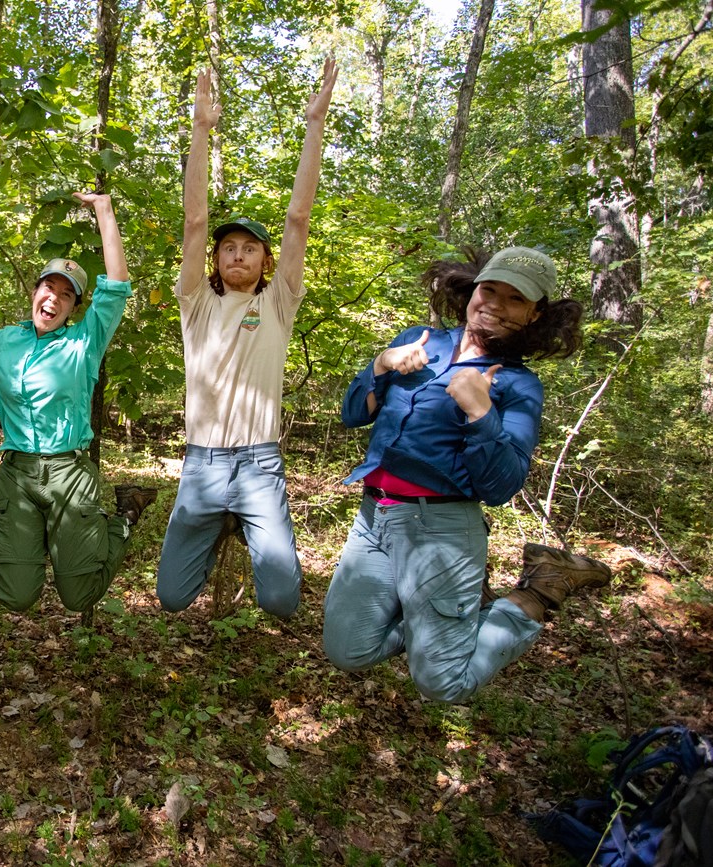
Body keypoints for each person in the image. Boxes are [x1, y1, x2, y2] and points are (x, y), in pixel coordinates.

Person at [322, 247, 612, 703]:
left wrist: (480, 411)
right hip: (374, 517)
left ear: (536, 314)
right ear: (472, 290)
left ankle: (538, 591)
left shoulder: (517, 384)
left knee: (442, 684)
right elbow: (353, 414)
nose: (494, 304)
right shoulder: (421, 341)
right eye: (489, 290)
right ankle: (433, 621)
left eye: (515, 299)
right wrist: (380, 363)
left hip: (443, 531)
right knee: (349, 650)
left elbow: (501, 486)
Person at [156, 61, 338, 619]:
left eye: (250, 248)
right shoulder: (197, 304)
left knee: (282, 601)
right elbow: (192, 219)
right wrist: (200, 129)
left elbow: (299, 218)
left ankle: (238, 519)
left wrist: (315, 124)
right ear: (215, 259)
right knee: (170, 596)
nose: (238, 253)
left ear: (266, 262)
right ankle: (216, 522)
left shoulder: (277, 302)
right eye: (228, 247)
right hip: (203, 464)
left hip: (260, 464)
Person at [0, 192, 157, 621]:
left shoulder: (83, 343)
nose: (53, 299)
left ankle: (126, 513)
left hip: (70, 476)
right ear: (35, 291)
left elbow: (118, 287)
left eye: (66, 296)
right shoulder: (1, 342)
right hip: (17, 475)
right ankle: (5, 540)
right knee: (16, 597)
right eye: (48, 288)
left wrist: (104, 210)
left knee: (78, 595)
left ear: (73, 308)